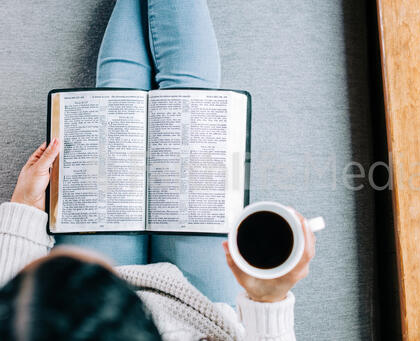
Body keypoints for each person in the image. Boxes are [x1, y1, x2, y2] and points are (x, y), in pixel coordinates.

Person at [0, 1, 317, 340]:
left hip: (87, 300)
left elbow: (14, 306)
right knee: (189, 92)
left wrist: (24, 205)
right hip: (202, 313)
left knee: (118, 94)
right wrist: (268, 298)